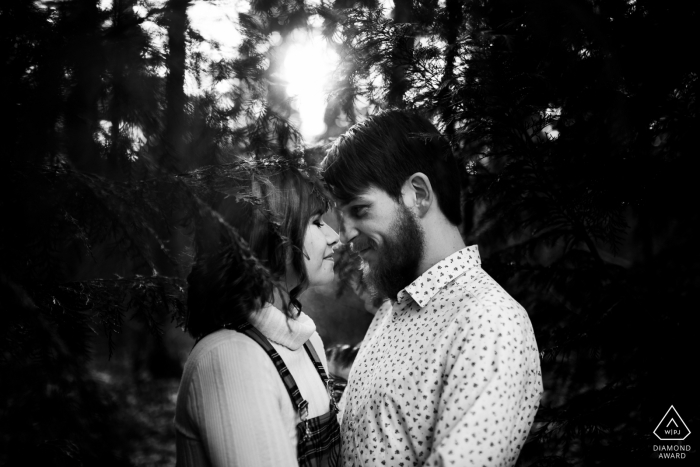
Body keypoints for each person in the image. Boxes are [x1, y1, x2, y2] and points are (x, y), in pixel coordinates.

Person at [321, 110, 543, 467]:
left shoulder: (490, 323)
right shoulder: (390, 313)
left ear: (418, 194)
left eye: (360, 209)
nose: (346, 235)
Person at [175, 161, 341, 467]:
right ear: (271, 236)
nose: (334, 237)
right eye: (316, 222)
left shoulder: (307, 341)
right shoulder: (230, 357)